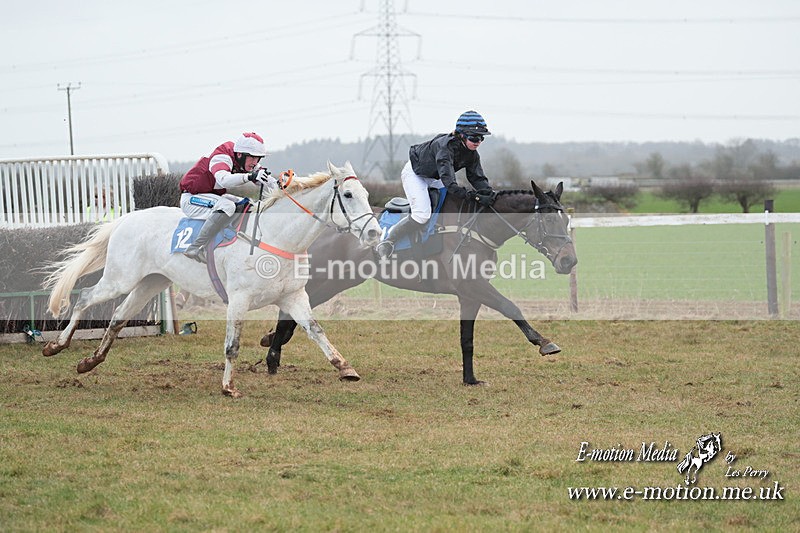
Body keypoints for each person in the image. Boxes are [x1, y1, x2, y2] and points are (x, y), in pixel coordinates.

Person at [375, 110, 496, 258]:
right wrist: (474, 196)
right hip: (416, 174)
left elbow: (477, 178)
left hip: (436, 176)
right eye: (474, 137)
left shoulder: (472, 153)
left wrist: (490, 195)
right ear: (461, 135)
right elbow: (451, 185)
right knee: (422, 215)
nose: (478, 142)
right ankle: (388, 241)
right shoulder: (444, 147)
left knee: (452, 207)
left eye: (481, 138)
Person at [179, 132, 277, 263]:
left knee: (247, 203)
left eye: (258, 158)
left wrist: (283, 184)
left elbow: (266, 180)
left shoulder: (242, 159)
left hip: (210, 196)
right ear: (240, 154)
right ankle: (195, 248)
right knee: (228, 206)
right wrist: (249, 177)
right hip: (192, 199)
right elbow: (224, 180)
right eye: (252, 158)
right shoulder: (221, 157)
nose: (255, 162)